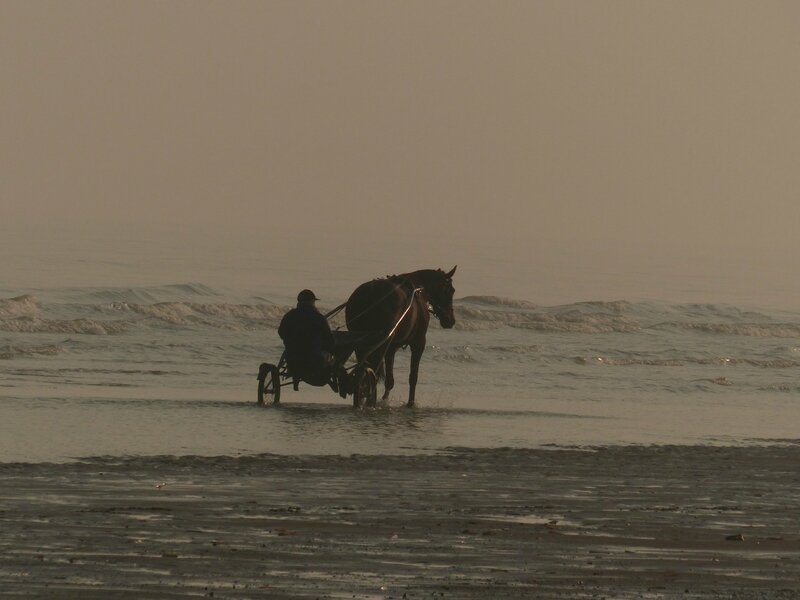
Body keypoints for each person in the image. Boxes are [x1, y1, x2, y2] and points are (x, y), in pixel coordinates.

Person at [278, 289, 348, 395]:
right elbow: (330, 342)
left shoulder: (289, 316)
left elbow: (281, 332)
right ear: (311, 302)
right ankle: (345, 386)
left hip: (292, 361)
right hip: (315, 364)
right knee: (340, 352)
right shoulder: (319, 318)